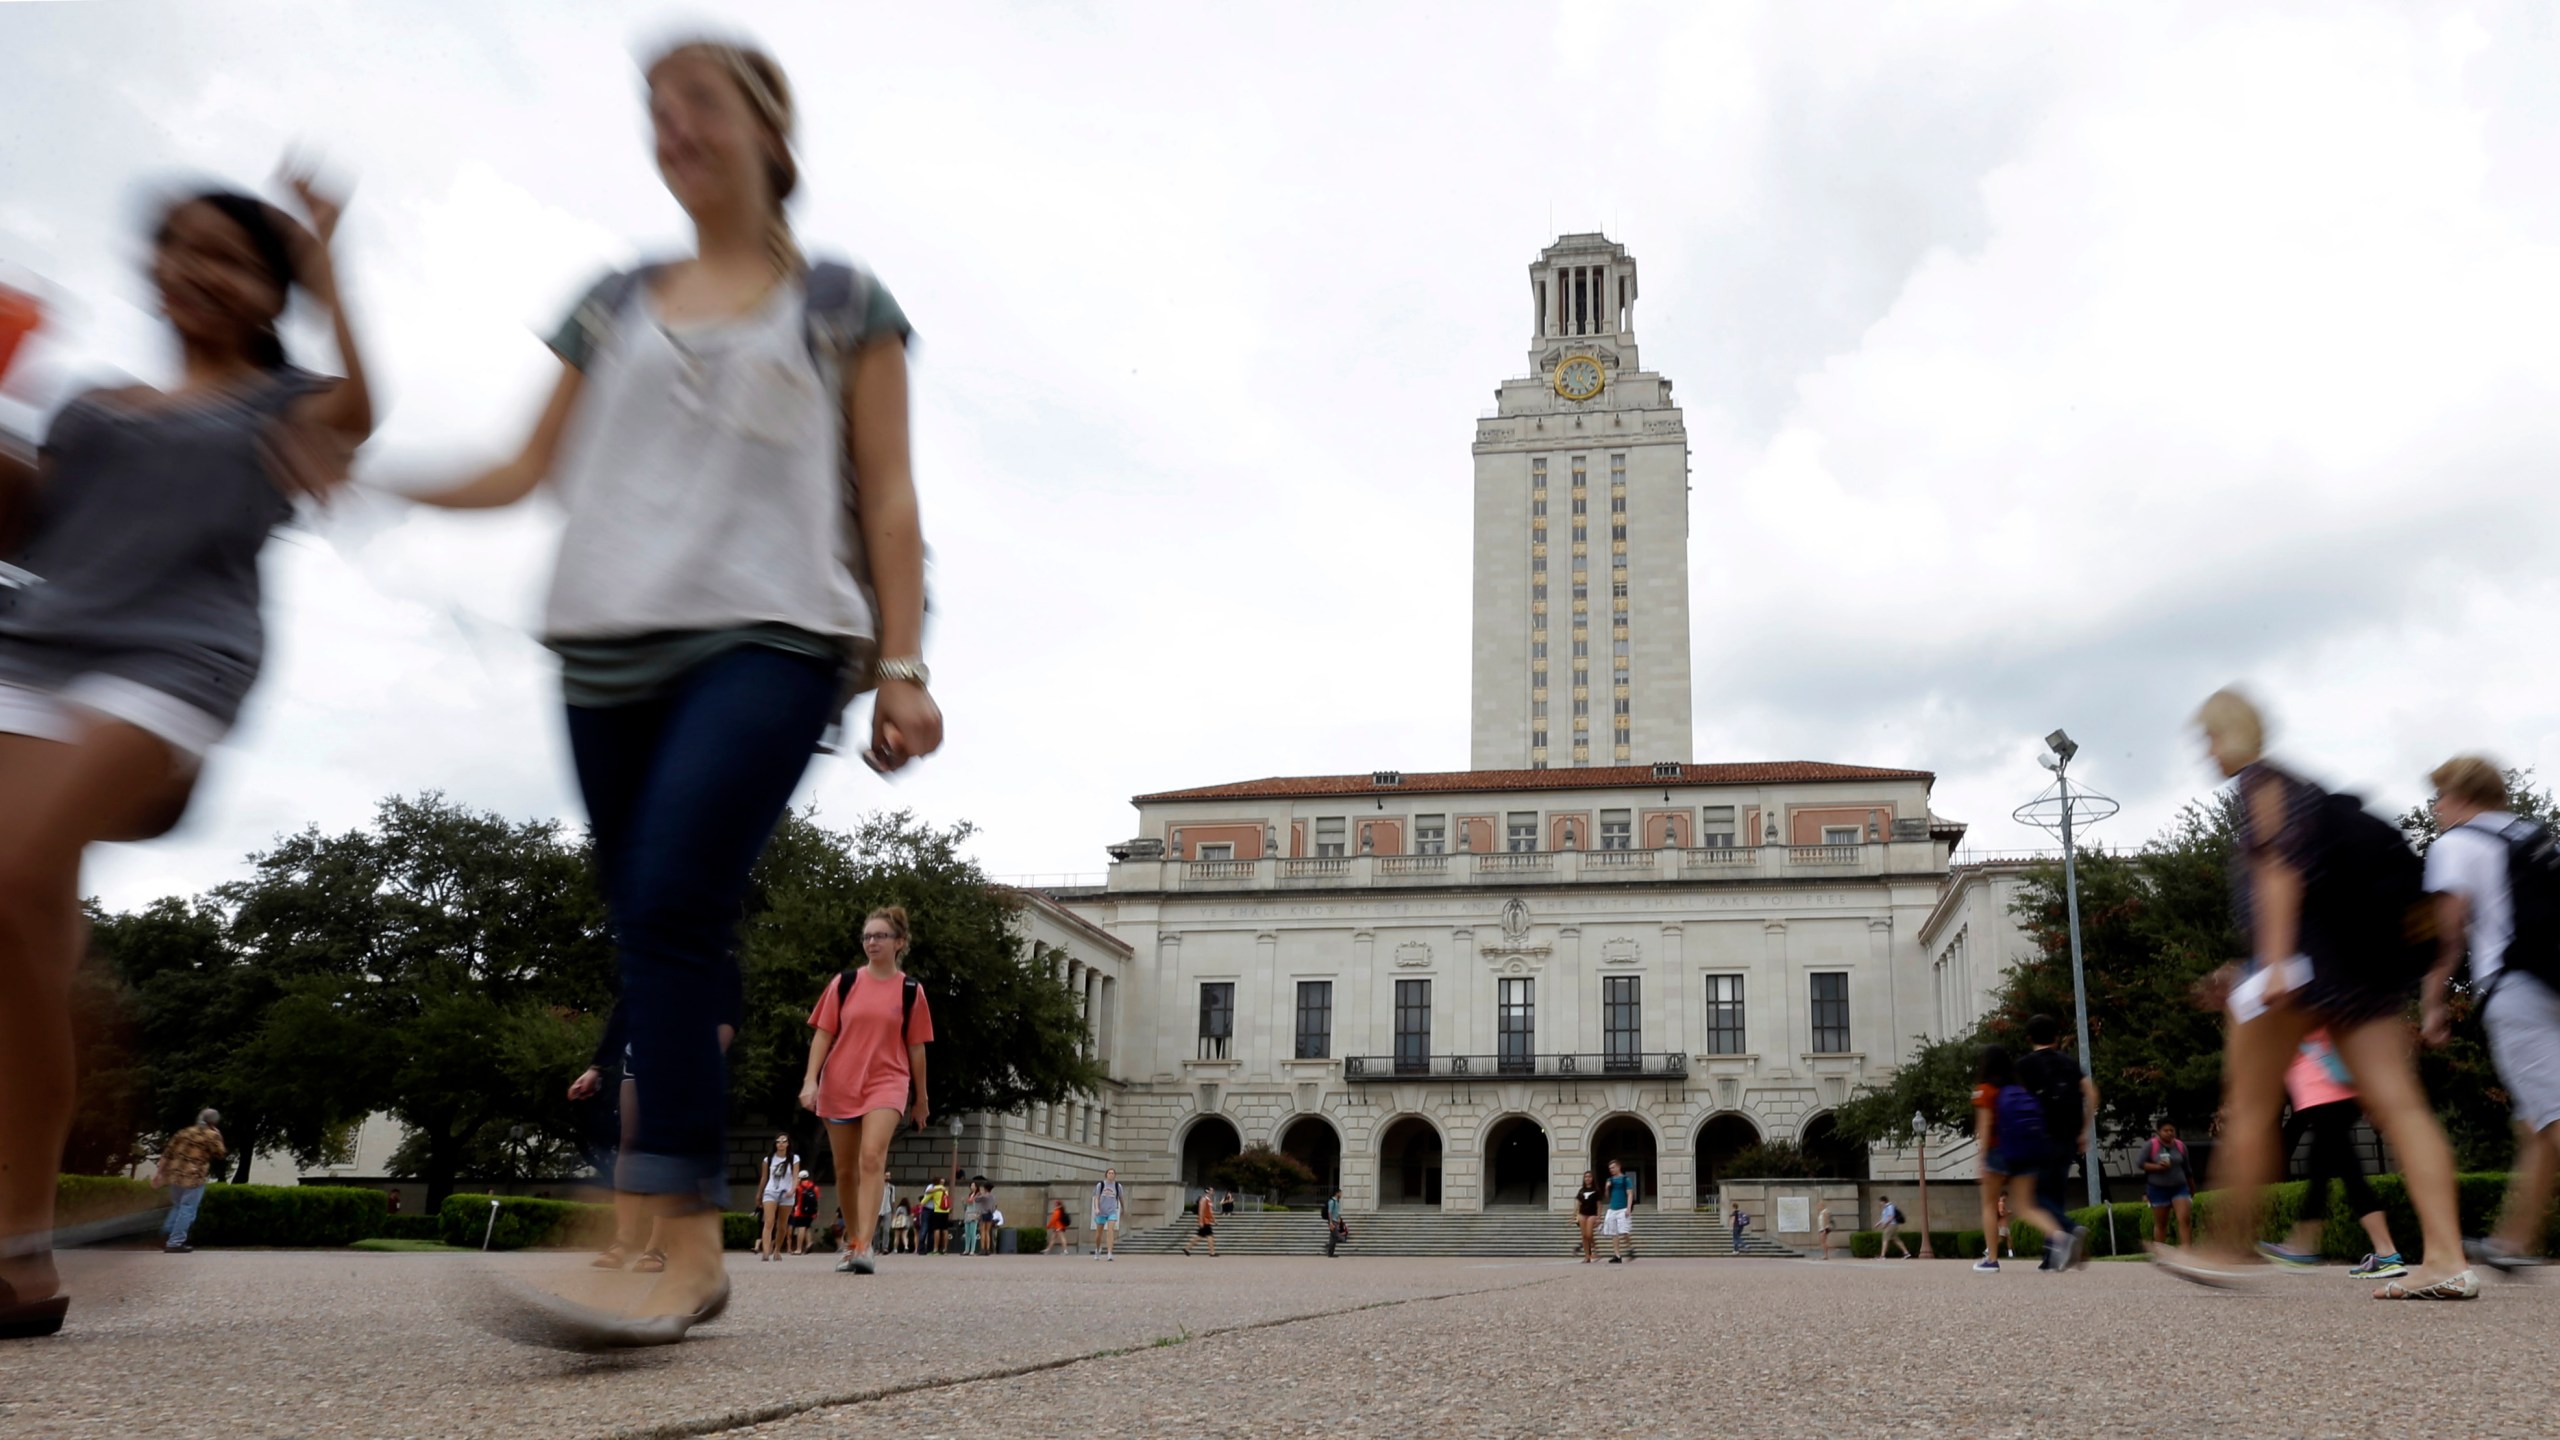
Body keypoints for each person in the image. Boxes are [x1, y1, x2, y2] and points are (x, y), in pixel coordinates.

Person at [408, 37, 938, 1345]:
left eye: (699, 101)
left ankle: (670, 1235)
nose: (673, 126)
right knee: (651, 925)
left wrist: (905, 664)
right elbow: (525, 465)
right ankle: (663, 1238)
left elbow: (890, 495)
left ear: (769, 130)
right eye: (655, 110)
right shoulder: (616, 297)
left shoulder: (840, 300)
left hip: (773, 634)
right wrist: (363, 466)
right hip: (606, 642)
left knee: (676, 895)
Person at [0, 173, 370, 1342]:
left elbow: (360, 410)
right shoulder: (96, 401)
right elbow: (33, 520)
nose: (197, 269)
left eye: (229, 256)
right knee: (23, 938)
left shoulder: (279, 401)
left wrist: (331, 271)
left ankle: (89, 1131)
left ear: (270, 289)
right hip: (30, 646)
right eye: (178, 248)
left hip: (168, 666)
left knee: (9, 876)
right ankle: (22, 1257)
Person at [2157, 691, 2475, 1299]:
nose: (2206, 750)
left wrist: (2271, 965)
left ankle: (2227, 1248)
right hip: (2360, 976)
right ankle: (2447, 1260)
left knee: (2249, 1107)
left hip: (2302, 972)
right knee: (2402, 1108)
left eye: (2208, 737)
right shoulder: (2306, 788)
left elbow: (2280, 869)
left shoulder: (2262, 783)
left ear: (2231, 735)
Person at [2422, 756, 2560, 1277]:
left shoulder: (2455, 844)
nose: (2436, 807)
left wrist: (2433, 1000)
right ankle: (2512, 1240)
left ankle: (2512, 1240)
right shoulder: (2534, 834)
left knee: (2552, 1118)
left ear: (2461, 796)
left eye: (2440, 795)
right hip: (2554, 978)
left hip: (2516, 990)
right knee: (2534, 1122)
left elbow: (2449, 934)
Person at [800, 906, 935, 1277]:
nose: (872, 942)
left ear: (900, 943)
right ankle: (851, 1240)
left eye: (880, 936)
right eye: (867, 936)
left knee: (872, 1158)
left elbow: (917, 1048)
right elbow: (823, 1033)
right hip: (841, 1081)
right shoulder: (843, 984)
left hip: (888, 1081)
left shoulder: (911, 991)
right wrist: (811, 1081)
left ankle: (864, 1245)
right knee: (845, 1170)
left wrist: (920, 1098)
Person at [2255, 1030, 2407, 1277]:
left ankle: (2384, 1252)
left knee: (2343, 1170)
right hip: (2327, 1089)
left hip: (2328, 1089)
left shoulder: (2305, 999)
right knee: (2325, 1168)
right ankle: (2307, 1245)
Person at [1970, 1044, 2076, 1274]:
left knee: (1989, 1205)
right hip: (2025, 1152)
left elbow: (1986, 1126)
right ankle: (2059, 1236)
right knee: (2025, 1206)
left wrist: (1981, 1158)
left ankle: (1992, 1259)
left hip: (1997, 1153)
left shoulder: (1985, 1090)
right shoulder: (2019, 1088)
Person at [2016, 1013, 2100, 1267]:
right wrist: (2083, 1130)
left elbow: (2017, 1103)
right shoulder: (2069, 1063)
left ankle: (2069, 1229)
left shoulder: (2024, 1066)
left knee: (2032, 1198)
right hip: (2067, 1137)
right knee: (2054, 1194)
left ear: (2029, 1038)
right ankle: (2051, 1256)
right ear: (2057, 1037)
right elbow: (2092, 1094)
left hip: (2037, 1138)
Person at [152, 1109, 229, 1255]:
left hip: (174, 1175)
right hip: (193, 1176)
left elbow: (167, 1154)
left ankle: (166, 1234)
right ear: (213, 1121)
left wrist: (159, 1174)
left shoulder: (183, 1132)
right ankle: (175, 1242)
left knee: (177, 1206)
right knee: (187, 1209)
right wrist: (218, 1135)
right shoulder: (211, 1135)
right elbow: (220, 1153)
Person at [2141, 1122, 2194, 1249]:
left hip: (2179, 1187)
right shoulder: (2151, 1146)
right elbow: (2141, 1163)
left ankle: (2186, 1251)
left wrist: (2191, 1187)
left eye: (2172, 1130)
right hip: (2158, 1189)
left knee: (2184, 1218)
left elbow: (2187, 1169)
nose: (2169, 1133)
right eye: (2166, 1130)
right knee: (2161, 1223)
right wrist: (2157, 1167)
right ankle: (2161, 1251)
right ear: (2159, 1131)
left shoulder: (2180, 1146)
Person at [755, 1135, 799, 1261]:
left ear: (788, 1144)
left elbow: (795, 1176)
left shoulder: (794, 1159)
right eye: (778, 1142)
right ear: (775, 1144)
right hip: (771, 1191)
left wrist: (792, 1190)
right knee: (769, 1222)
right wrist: (759, 1193)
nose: (781, 1144)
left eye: (784, 1141)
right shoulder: (768, 1159)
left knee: (782, 1225)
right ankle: (765, 1251)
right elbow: (764, 1177)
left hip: (787, 1193)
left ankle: (777, 1249)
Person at [1601, 1158, 1637, 1264]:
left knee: (1624, 1231)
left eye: (1613, 1167)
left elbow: (1630, 1194)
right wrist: (1607, 1187)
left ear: (1618, 1167)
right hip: (1612, 1209)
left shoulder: (1625, 1179)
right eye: (1610, 1168)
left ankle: (1630, 1248)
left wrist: (1628, 1208)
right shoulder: (1610, 1180)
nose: (1611, 1169)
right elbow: (1607, 1196)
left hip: (1622, 1209)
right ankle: (1617, 1255)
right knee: (1614, 1233)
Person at [1091, 1168, 1125, 1261]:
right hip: (1101, 1211)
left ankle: (1109, 1253)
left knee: (1110, 1231)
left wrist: (1123, 1208)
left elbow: (1121, 1198)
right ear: (1106, 1175)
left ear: (1115, 1175)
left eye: (1112, 1173)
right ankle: (1097, 1250)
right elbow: (1096, 1197)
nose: (1111, 1174)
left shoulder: (1118, 1186)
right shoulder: (1100, 1185)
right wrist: (1097, 1208)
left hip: (1112, 1211)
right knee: (1099, 1234)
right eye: (1109, 1173)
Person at [1573, 1170, 1603, 1264]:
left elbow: (1599, 1205)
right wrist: (1574, 1214)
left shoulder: (1596, 1190)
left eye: (1589, 1176)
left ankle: (1595, 1248)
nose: (1587, 1178)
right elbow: (1578, 1203)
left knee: (1589, 1234)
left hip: (1592, 1215)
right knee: (1584, 1236)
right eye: (1586, 1177)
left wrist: (1599, 1217)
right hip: (1582, 1214)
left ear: (1592, 1178)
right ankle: (1587, 1256)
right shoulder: (1581, 1191)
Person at [1179, 1188, 1218, 1257]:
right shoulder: (1204, 1199)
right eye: (1211, 1190)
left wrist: (1214, 1220)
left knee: (1200, 1236)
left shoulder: (1209, 1200)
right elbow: (1201, 1211)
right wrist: (1200, 1221)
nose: (1213, 1192)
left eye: (1213, 1190)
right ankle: (1212, 1252)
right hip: (1205, 1221)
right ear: (1208, 1191)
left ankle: (1187, 1248)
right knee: (1209, 1235)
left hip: (1207, 1220)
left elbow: (1210, 1212)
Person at [789, 1171, 820, 1255]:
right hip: (812, 1212)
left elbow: (793, 1195)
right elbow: (816, 1199)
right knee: (807, 1227)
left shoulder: (798, 1187)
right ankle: (809, 1242)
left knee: (801, 1228)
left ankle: (799, 1249)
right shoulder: (815, 1187)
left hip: (800, 1211)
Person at [1323, 1188, 1348, 1258]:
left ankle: (1330, 1254)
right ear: (1337, 1193)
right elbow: (1329, 1212)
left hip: (1336, 1221)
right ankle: (1328, 1249)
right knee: (1338, 1237)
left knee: (1332, 1238)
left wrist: (1339, 1219)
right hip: (1332, 1222)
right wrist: (1330, 1222)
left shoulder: (1337, 1202)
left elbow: (1336, 1212)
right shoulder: (1332, 1201)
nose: (1341, 1194)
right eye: (1340, 1193)